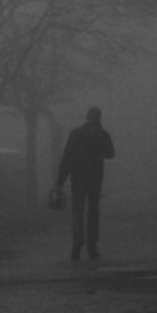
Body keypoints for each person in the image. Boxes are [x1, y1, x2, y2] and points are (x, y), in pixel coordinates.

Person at [54, 106, 115, 261]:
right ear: (99, 118)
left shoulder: (75, 134)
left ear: (87, 117)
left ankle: (77, 243)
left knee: (77, 210)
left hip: (78, 177)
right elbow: (111, 154)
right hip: (95, 178)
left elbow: (67, 157)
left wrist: (60, 181)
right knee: (93, 211)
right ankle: (91, 246)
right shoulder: (102, 134)